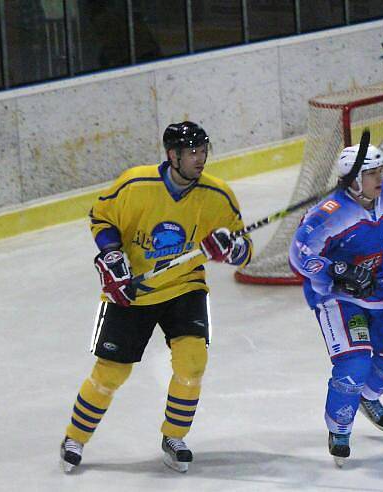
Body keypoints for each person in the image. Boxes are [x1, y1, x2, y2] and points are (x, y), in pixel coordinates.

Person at [60, 121, 252, 474]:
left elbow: (245, 250)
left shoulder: (217, 195)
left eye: (203, 151)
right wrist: (112, 255)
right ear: (172, 156)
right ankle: (75, 437)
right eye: (192, 152)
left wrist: (230, 247)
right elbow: (100, 218)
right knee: (111, 373)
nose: (200, 159)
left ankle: (174, 437)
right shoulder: (136, 184)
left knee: (192, 362)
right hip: (132, 289)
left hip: (184, 287)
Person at [289, 144, 383, 466]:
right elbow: (300, 255)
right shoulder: (328, 214)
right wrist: (339, 271)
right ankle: (340, 428)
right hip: (338, 297)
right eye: (372, 173)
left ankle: (366, 398)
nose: (380, 178)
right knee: (354, 365)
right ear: (354, 179)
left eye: (380, 171)